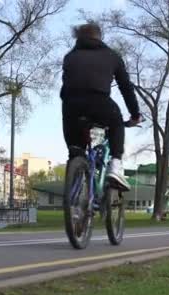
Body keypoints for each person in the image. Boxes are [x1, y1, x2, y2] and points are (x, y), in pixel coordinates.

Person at [60, 22, 142, 191]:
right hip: (99, 103)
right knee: (116, 120)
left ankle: (75, 170)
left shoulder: (69, 57)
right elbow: (126, 87)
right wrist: (135, 115)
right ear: (99, 37)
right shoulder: (112, 56)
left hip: (71, 107)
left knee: (76, 150)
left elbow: (65, 87)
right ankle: (116, 165)